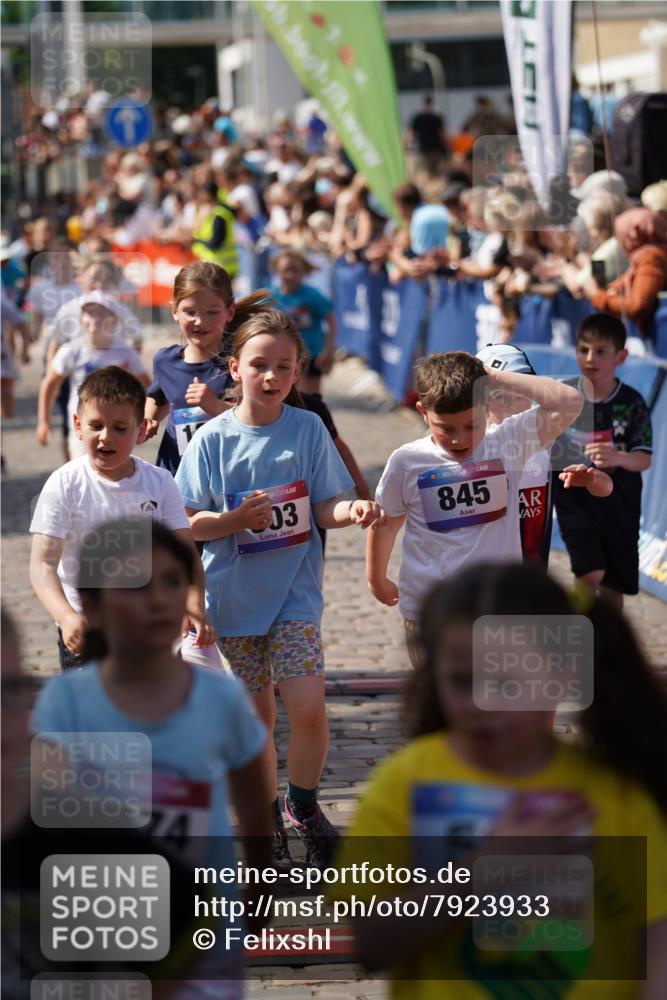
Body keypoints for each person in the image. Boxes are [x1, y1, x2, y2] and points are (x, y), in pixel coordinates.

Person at [335, 562, 667, 998]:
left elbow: (656, 950)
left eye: (507, 682)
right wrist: (480, 870)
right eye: (460, 681)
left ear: (563, 675)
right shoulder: (403, 784)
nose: (481, 703)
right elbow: (371, 943)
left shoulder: (617, 797)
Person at [174, 308, 385, 868]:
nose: (271, 377)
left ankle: (304, 805)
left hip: (294, 597)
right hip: (232, 603)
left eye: (283, 367)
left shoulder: (308, 428)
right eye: (259, 365)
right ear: (234, 369)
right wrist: (233, 522)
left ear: (297, 372)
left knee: (309, 708)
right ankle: (264, 823)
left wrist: (351, 508)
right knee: (256, 725)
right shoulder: (212, 440)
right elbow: (186, 521)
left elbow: (323, 504)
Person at [32, 520, 272, 998]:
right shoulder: (65, 703)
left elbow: (253, 802)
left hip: (204, 931)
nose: (159, 599)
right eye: (136, 585)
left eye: (171, 582)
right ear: (95, 606)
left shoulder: (222, 698)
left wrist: (259, 890)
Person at [366, 351, 583, 668]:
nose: (460, 439)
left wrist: (492, 377)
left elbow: (570, 402)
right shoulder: (406, 461)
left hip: (497, 609)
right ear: (423, 413)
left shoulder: (508, 443)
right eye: (447, 429)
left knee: (492, 709)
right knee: (442, 709)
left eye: (472, 425)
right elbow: (386, 522)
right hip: (431, 609)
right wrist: (376, 577)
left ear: (486, 406)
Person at [30, 366, 213, 671]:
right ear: (78, 425)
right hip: (88, 630)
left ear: (141, 430)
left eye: (119, 427)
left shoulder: (161, 483)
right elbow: (43, 563)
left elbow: (186, 557)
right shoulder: (63, 484)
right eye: (96, 425)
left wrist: (193, 603)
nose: (106, 437)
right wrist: (66, 617)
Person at [477, 343, 613, 566]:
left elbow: (606, 487)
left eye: (519, 392)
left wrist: (590, 478)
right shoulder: (467, 447)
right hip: (475, 578)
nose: (510, 404)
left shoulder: (547, 440)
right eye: (499, 396)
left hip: (528, 578)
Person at [553, 313, 652, 611]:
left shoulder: (632, 403)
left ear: (621, 356)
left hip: (620, 505)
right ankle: (569, 634)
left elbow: (644, 459)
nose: (590, 358)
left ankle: (610, 648)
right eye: (583, 350)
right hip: (575, 501)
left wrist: (617, 456)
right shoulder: (564, 396)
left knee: (613, 585)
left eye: (600, 351)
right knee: (590, 572)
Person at [143, 261, 271, 476]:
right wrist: (149, 418)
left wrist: (215, 406)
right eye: (189, 312)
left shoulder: (243, 362)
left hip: (229, 475)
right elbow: (158, 396)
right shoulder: (165, 361)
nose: (200, 322)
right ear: (174, 310)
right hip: (177, 475)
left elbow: (260, 419)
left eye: (211, 313)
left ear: (229, 312)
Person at [36, 290, 149, 459]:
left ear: (114, 321)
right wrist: (43, 421)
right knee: (82, 471)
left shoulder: (126, 353)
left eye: (101, 314)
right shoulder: (71, 351)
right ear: (81, 320)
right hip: (83, 426)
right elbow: (49, 383)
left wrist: (145, 418)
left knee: (113, 472)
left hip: (118, 427)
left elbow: (146, 384)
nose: (94, 319)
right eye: (89, 313)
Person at [579, 208, 667, 341]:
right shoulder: (644, 254)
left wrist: (598, 296)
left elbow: (638, 305)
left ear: (632, 235)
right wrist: (610, 289)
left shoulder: (651, 257)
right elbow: (628, 280)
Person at [271, 250, 336, 395]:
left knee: (312, 399)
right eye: (286, 270)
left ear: (304, 272)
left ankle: (315, 418)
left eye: (295, 271)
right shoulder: (270, 296)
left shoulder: (312, 295)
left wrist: (329, 351)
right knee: (285, 397)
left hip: (312, 354)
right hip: (280, 355)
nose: (291, 275)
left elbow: (331, 321)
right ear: (276, 271)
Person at [191, 181, 238, 278]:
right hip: (212, 267)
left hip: (221, 268)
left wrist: (197, 241)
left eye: (201, 193)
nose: (199, 196)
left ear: (208, 194)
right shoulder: (209, 212)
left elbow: (215, 243)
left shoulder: (220, 214)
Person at [407, 95, 448, 175]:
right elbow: (442, 135)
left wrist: (408, 147)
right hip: (435, 149)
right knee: (435, 173)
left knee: (423, 172)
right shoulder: (436, 118)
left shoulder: (418, 118)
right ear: (432, 104)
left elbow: (411, 134)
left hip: (422, 149)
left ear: (423, 104)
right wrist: (447, 149)